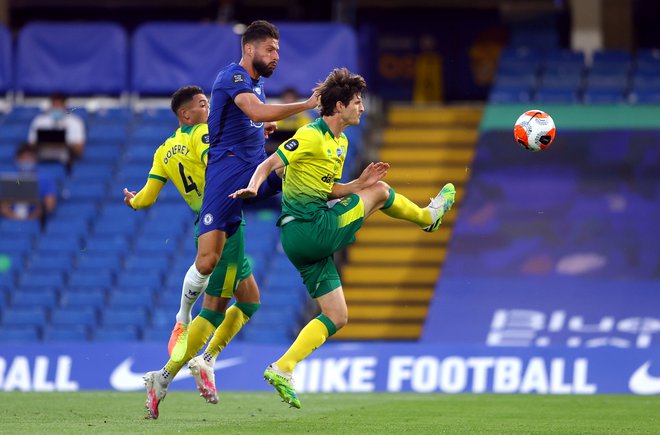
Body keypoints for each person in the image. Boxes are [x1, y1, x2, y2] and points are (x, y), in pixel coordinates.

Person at [229, 68, 456, 408]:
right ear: (338, 106)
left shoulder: (341, 142)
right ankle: (427, 218)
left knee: (337, 315)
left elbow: (328, 189)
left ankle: (283, 367)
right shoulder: (310, 134)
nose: (362, 107)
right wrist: (255, 184)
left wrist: (356, 185)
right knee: (381, 192)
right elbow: (271, 163)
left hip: (303, 240)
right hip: (309, 228)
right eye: (357, 101)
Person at [169, 20, 318, 365]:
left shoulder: (257, 85)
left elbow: (251, 118)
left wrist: (261, 129)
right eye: (270, 49)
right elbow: (251, 109)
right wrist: (306, 104)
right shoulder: (232, 77)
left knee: (298, 164)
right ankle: (181, 320)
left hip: (252, 173)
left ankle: (329, 203)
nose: (276, 55)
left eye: (278, 49)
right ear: (249, 49)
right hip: (225, 179)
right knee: (207, 261)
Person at [122, 86, 262, 419]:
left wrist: (132, 200)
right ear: (186, 114)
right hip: (226, 221)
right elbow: (215, 164)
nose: (209, 107)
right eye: (202, 104)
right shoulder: (203, 135)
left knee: (250, 300)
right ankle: (166, 376)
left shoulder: (164, 150)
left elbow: (145, 199)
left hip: (204, 220)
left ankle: (202, 359)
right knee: (214, 310)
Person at [0, 144, 57, 222]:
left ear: (35, 159)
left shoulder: (46, 178)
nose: (26, 161)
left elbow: (49, 205)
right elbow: (3, 206)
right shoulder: (8, 177)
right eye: (23, 158)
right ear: (17, 160)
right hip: (10, 219)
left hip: (36, 219)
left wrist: (33, 216)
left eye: (29, 158)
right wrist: (13, 216)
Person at [27, 92, 86, 162]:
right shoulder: (39, 121)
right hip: (42, 159)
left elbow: (79, 149)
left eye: (59, 105)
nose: (57, 108)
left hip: (65, 160)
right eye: (55, 105)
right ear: (50, 105)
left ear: (65, 106)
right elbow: (31, 145)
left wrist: (63, 144)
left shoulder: (75, 122)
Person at [265, 87, 314, 153]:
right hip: (275, 148)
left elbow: (308, 130)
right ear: (282, 101)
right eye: (286, 99)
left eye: (291, 100)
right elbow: (271, 128)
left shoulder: (302, 116)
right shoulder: (276, 115)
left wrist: (295, 120)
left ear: (296, 101)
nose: (289, 102)